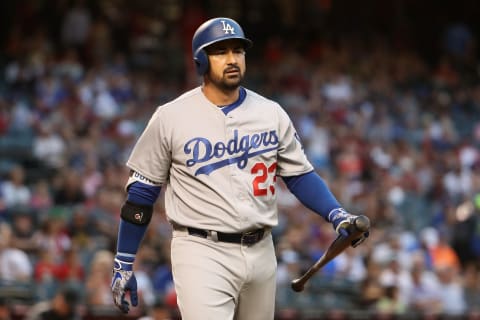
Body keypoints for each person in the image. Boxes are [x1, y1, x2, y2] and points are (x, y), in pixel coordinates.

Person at [111, 17, 369, 320]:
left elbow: (299, 175)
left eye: (238, 51)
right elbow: (141, 194)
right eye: (220, 52)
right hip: (201, 250)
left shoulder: (270, 113)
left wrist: (337, 214)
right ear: (201, 60)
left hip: (261, 249)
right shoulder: (171, 117)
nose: (232, 59)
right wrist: (123, 262)